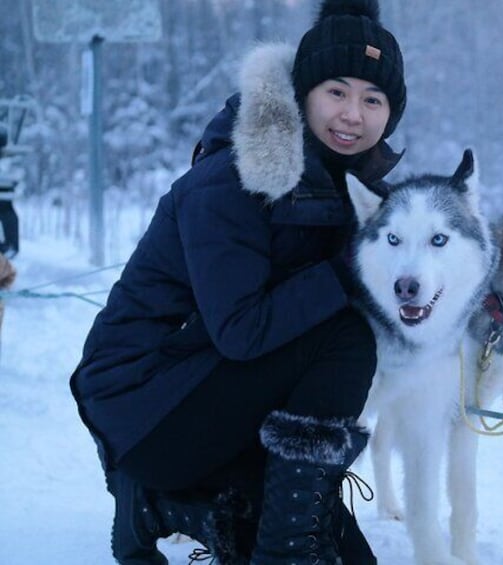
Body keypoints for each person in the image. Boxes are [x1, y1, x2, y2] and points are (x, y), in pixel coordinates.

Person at [69, 0, 406, 563]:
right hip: (144, 402)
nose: (353, 114)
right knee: (345, 333)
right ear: (302, 93)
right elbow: (242, 332)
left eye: (373, 99)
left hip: (218, 394)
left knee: (348, 556)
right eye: (336, 92)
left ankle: (152, 507)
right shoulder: (233, 178)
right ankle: (276, 547)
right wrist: (354, 265)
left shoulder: (346, 188)